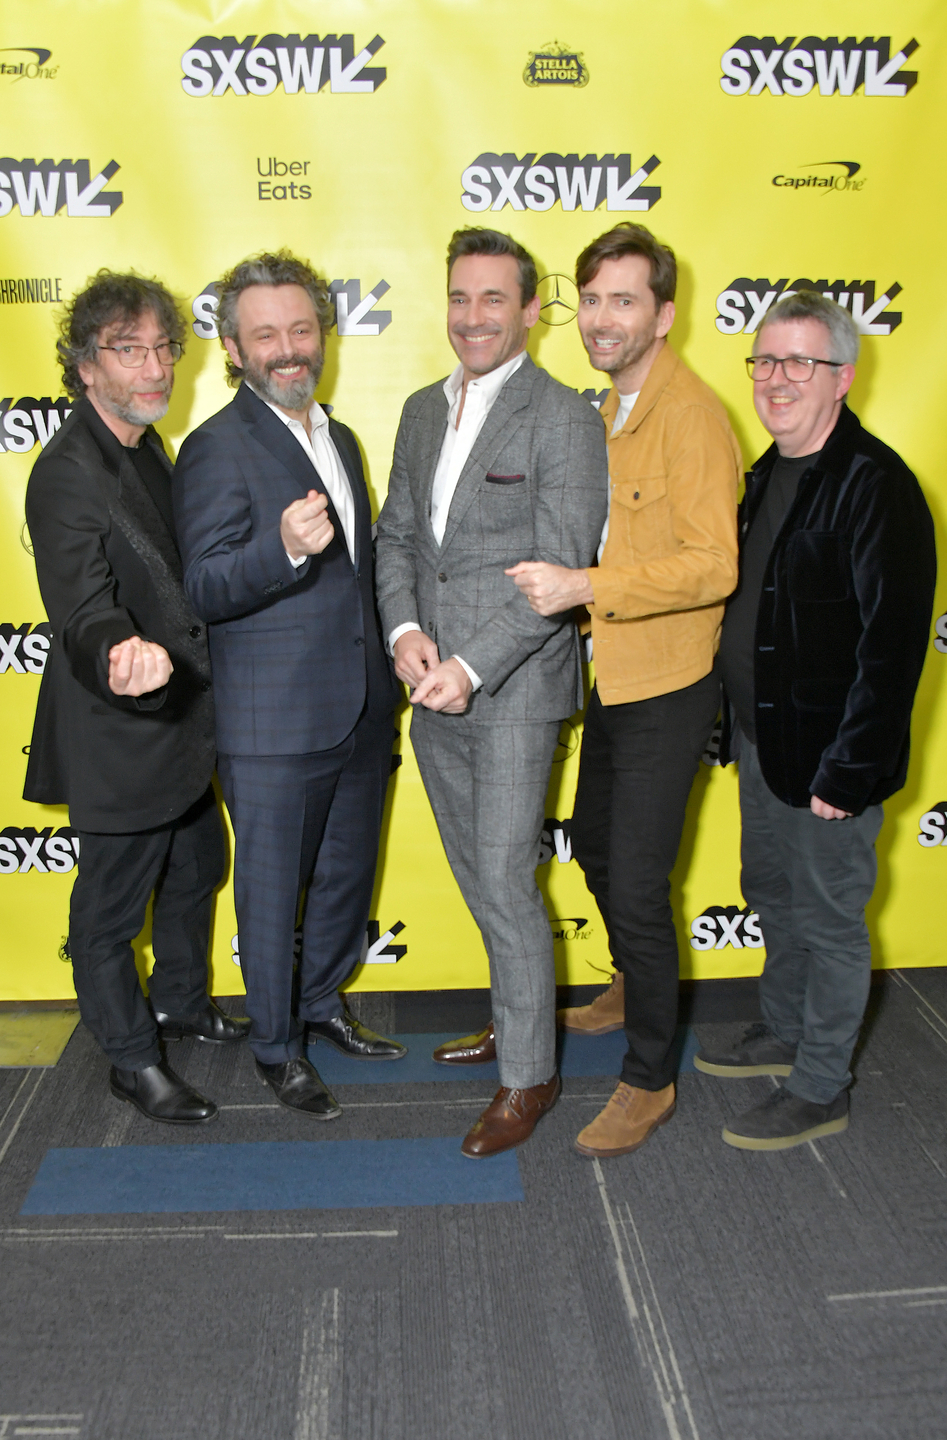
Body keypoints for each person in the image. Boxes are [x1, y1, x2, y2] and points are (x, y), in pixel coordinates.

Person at [508, 222, 741, 1157]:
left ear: (664, 313)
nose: (602, 320)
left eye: (624, 301)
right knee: (599, 851)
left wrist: (584, 588)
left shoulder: (690, 414)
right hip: (613, 675)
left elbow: (712, 565)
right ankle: (632, 990)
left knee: (639, 884)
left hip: (670, 681)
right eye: (593, 300)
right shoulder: (604, 407)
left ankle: (650, 1078)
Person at [376, 227, 608, 1157]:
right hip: (426, 683)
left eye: (492, 301)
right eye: (460, 299)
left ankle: (529, 1078)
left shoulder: (564, 418)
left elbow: (562, 570)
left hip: (510, 687)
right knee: (478, 875)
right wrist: (404, 635)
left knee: (507, 879)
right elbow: (397, 537)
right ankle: (522, 1025)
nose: (473, 318)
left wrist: (469, 668)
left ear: (528, 310)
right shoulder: (419, 410)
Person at [695, 290, 936, 1149]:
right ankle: (786, 1028)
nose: (776, 379)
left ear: (843, 376)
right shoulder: (766, 474)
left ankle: (821, 1084)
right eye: (765, 361)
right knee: (774, 891)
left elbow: (893, 648)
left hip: (831, 759)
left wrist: (851, 769)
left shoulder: (878, 486)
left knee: (830, 916)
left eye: (800, 362)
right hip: (765, 745)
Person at [173, 250, 403, 1120]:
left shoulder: (336, 435)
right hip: (270, 723)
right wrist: (282, 549)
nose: (287, 347)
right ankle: (276, 1045)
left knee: (345, 878)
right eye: (265, 334)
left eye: (300, 328)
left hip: (358, 708)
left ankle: (320, 1006)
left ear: (322, 334)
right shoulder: (214, 448)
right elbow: (204, 585)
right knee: (271, 892)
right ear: (232, 349)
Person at [23, 270, 246, 1126]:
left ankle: (180, 1001)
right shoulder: (68, 472)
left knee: (198, 866)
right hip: (120, 726)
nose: (155, 367)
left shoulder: (145, 444)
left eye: (163, 347)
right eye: (129, 350)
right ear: (85, 366)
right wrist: (119, 652)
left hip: (181, 722)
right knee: (109, 913)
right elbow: (81, 607)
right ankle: (128, 1059)